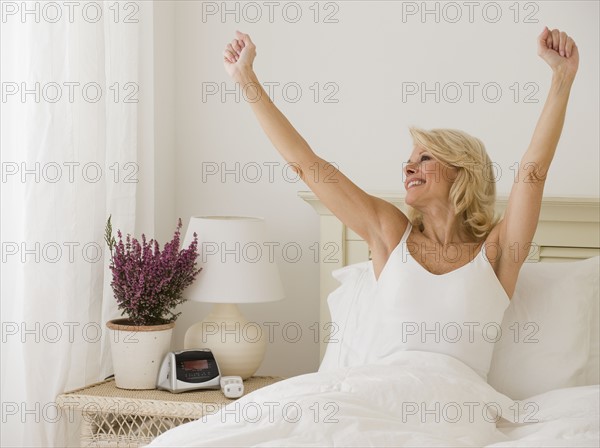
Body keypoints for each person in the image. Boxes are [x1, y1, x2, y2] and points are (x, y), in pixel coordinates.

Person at [222, 27, 579, 302]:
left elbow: (533, 172)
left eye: (425, 158)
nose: (408, 169)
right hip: (383, 393)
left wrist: (562, 77)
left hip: (461, 397)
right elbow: (305, 164)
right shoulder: (391, 234)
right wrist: (246, 79)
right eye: (408, 161)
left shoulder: (497, 252)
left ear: (461, 172)